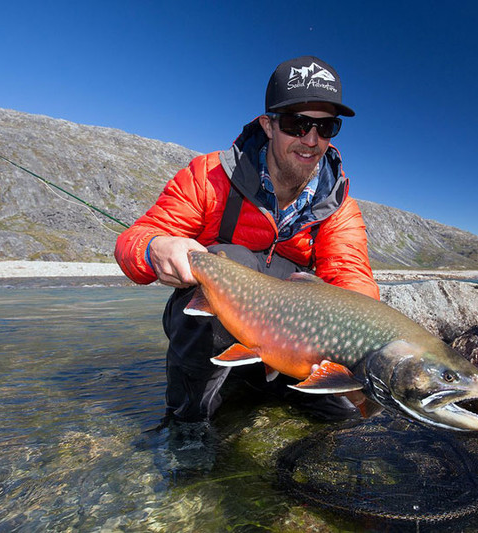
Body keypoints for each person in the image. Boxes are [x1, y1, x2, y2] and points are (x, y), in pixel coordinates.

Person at [115, 55, 379, 423]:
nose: (311, 140)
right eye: (296, 124)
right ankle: (187, 421)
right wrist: (155, 248)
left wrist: (363, 354)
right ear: (268, 125)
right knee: (231, 259)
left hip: (290, 344)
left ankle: (270, 385)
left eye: (326, 127)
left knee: (346, 417)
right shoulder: (207, 176)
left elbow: (352, 283)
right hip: (212, 325)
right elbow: (134, 242)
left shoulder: (339, 207)